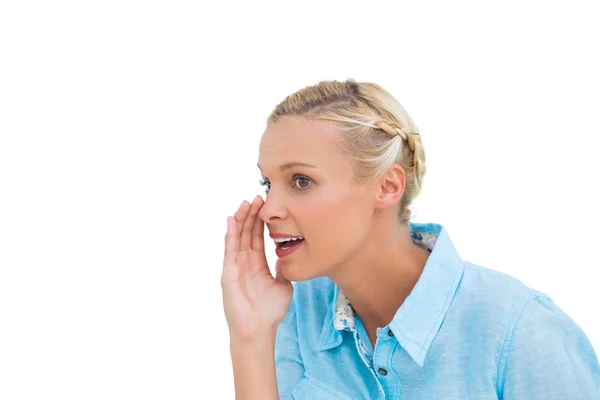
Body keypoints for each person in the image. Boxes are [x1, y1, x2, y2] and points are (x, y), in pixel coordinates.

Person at [220, 79, 600, 399]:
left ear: (387, 186)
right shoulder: (295, 313)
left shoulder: (522, 333)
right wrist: (250, 337)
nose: (268, 208)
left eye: (301, 181)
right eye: (267, 183)